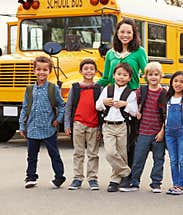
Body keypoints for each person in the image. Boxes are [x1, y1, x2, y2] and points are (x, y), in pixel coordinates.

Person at [19, 56, 66, 189]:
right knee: (31, 156)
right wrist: (22, 125)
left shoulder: (53, 88)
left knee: (54, 155)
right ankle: (31, 177)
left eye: (45, 70)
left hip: (49, 128)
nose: (41, 72)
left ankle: (59, 177)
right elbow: (25, 108)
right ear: (34, 71)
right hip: (32, 128)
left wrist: (58, 120)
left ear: (50, 71)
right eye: (38, 69)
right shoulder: (29, 89)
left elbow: (62, 105)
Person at [120, 62, 167, 193]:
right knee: (138, 159)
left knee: (158, 159)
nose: (153, 77)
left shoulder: (164, 93)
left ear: (161, 76)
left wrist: (162, 131)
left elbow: (167, 114)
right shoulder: (142, 91)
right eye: (150, 74)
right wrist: (136, 111)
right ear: (146, 76)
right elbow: (131, 101)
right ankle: (134, 182)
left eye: (156, 75)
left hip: (158, 133)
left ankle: (156, 183)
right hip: (143, 132)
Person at [96, 62, 138, 192]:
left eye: (125, 75)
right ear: (113, 75)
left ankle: (115, 180)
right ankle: (126, 172)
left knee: (122, 153)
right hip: (108, 125)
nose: (121, 77)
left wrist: (125, 104)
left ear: (129, 78)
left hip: (122, 125)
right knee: (110, 153)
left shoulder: (131, 93)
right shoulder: (107, 90)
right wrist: (103, 102)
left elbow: (134, 112)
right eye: (119, 74)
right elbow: (97, 106)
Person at [64, 58, 102, 191]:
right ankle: (77, 178)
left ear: (96, 71)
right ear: (81, 71)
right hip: (78, 124)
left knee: (93, 153)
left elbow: (102, 109)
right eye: (86, 69)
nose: (89, 71)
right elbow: (68, 107)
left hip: (94, 125)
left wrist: (100, 128)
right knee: (78, 153)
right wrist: (67, 125)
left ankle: (92, 178)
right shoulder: (75, 87)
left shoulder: (98, 88)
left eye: (91, 69)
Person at [97, 18, 148, 90]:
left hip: (132, 94)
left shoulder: (140, 51)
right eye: (122, 32)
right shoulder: (110, 53)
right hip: (113, 95)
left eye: (129, 32)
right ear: (117, 33)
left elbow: (148, 75)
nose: (125, 35)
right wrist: (91, 85)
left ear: (133, 34)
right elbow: (105, 79)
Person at [165, 71, 183, 195]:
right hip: (169, 132)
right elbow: (164, 116)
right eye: (175, 81)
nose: (178, 84)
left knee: (182, 159)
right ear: (171, 83)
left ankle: (181, 185)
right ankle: (175, 183)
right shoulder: (167, 98)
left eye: (182, 82)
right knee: (173, 159)